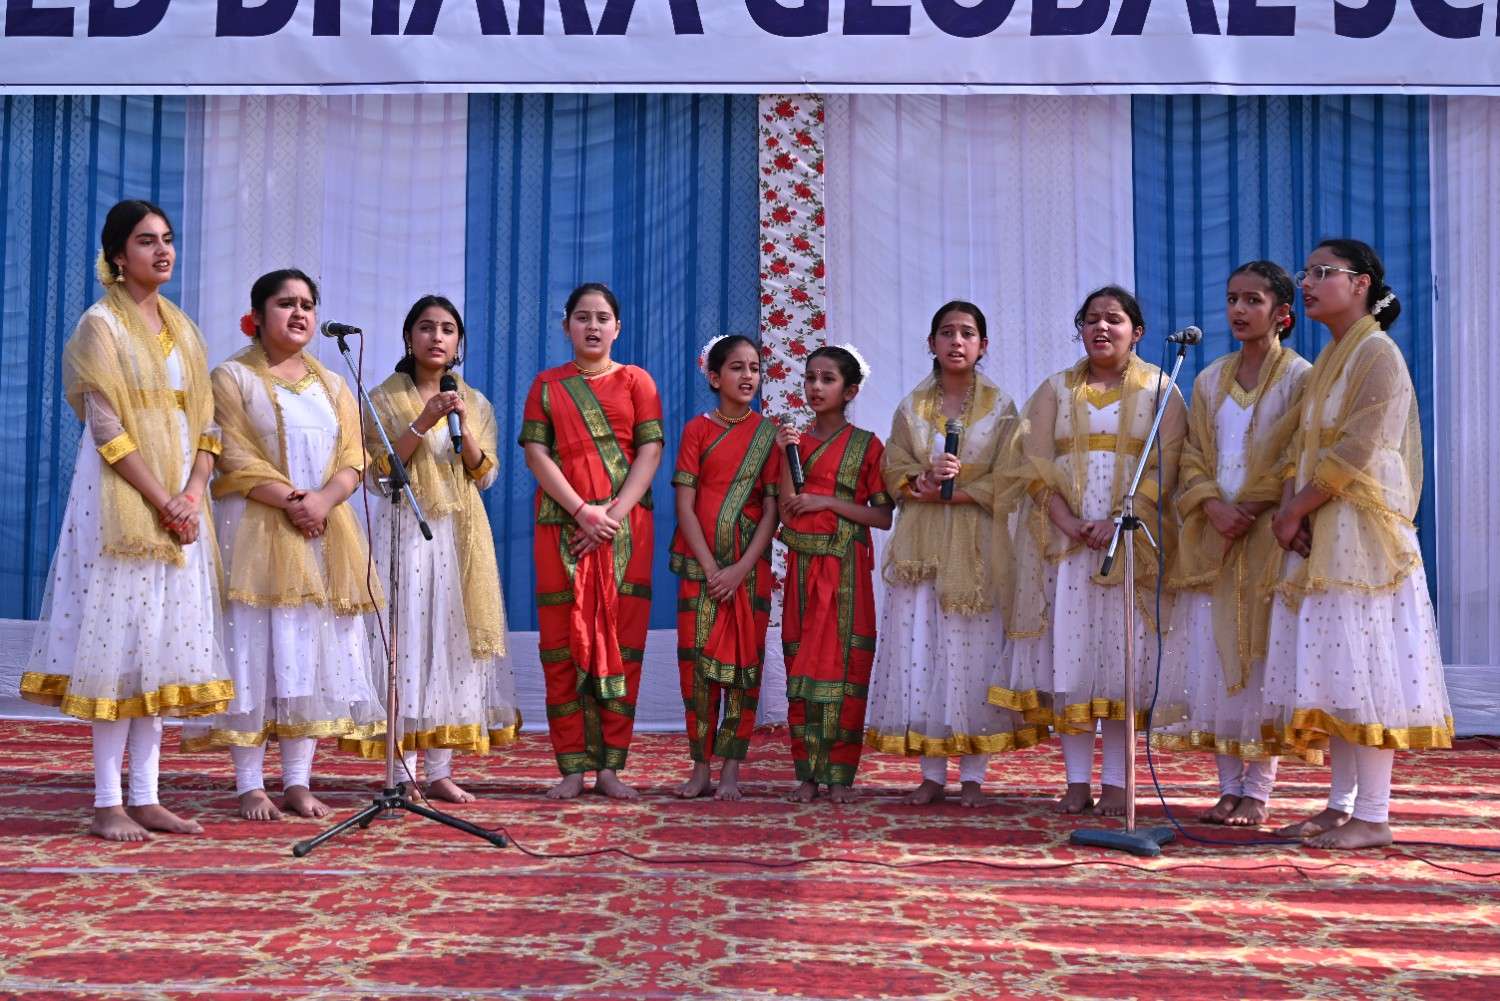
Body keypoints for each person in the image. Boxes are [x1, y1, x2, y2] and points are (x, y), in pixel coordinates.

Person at [21, 199, 231, 841]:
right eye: (146, 241)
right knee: (119, 647)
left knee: (159, 645)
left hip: (182, 502)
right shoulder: (101, 325)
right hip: (121, 498)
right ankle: (108, 800)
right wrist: (162, 499)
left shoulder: (184, 327)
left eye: (167, 238)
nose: (162, 251)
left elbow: (207, 422)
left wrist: (192, 491)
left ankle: (147, 794)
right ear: (117, 256)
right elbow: (105, 426)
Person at [1262, 239, 1453, 849]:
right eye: (1306, 273)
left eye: (1323, 272)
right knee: (1339, 671)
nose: (1308, 283)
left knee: (1366, 668)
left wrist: (1295, 509)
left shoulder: (1377, 353)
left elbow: (1357, 450)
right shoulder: (1331, 357)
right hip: (1326, 529)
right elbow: (1301, 446)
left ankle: (1374, 814)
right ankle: (1340, 806)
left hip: (1364, 538)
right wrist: (1292, 508)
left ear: (1361, 283)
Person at [184, 269, 385, 821]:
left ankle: (297, 780)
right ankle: (250, 784)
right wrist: (298, 502)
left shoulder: (334, 384)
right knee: (253, 652)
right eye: (285, 303)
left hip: (323, 531)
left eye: (307, 305)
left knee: (307, 653)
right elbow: (233, 455)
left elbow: (354, 456)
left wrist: (323, 501)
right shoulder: (231, 378)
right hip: (256, 531)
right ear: (257, 315)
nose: (299, 313)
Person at [989, 286, 1187, 816]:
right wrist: (1071, 523)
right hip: (1065, 544)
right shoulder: (1055, 389)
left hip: (1130, 540)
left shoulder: (1161, 389)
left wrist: (1119, 520)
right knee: (1072, 658)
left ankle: (1119, 783)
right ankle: (1076, 781)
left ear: (1136, 332)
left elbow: (1167, 465)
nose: (1101, 327)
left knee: (1122, 660)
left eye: (1114, 319)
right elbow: (1031, 464)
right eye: (1092, 319)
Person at [341, 295, 521, 802]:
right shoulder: (381, 398)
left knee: (453, 643)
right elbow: (379, 475)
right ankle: (403, 770)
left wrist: (461, 424)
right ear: (408, 337)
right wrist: (422, 421)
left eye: (446, 329)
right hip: (406, 531)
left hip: (460, 534)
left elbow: (485, 475)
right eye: (426, 327)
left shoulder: (473, 401)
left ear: (458, 341)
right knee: (408, 642)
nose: (436, 337)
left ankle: (440, 770)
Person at [1154, 262, 1313, 827]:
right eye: (1232, 300)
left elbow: (1296, 455)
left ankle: (1259, 790)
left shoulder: (1300, 378)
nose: (1239, 311)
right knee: (1214, 652)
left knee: (1262, 653)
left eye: (1253, 300)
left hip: (1269, 531)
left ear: (1282, 313)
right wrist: (1213, 505)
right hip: (1214, 532)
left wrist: (1252, 506)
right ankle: (1227, 787)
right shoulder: (1208, 379)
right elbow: (1193, 454)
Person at [865, 301, 1040, 808]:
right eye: (947, 332)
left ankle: (974, 775)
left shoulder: (1002, 407)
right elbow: (892, 466)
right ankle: (931, 773)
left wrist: (959, 492)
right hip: (921, 544)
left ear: (983, 345)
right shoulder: (911, 406)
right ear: (932, 343)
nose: (956, 342)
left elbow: (1012, 477)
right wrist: (919, 480)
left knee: (971, 651)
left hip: (976, 545)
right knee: (922, 650)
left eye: (967, 333)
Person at [520, 283, 663, 800]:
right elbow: (536, 455)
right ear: (567, 327)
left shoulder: (637, 381)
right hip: (562, 528)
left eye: (603, 318)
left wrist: (611, 516)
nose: (593, 326)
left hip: (625, 531)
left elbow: (650, 452)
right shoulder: (546, 385)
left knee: (620, 646)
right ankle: (571, 769)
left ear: (617, 328)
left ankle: (610, 769)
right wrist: (582, 512)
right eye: (583, 317)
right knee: (564, 647)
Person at [776, 345, 894, 804]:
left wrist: (826, 502)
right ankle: (807, 774)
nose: (815, 387)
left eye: (827, 379)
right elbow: (786, 509)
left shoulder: (867, 445)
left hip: (847, 573)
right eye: (810, 378)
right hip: (803, 570)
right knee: (800, 669)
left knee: (845, 669)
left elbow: (881, 516)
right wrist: (784, 454)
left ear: (850, 391)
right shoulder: (794, 444)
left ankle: (841, 775)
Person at [671, 335, 781, 801]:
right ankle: (700, 769)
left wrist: (738, 570)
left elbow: (772, 510)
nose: (748, 376)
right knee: (697, 671)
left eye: (754, 367)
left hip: (748, 574)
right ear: (715, 378)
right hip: (700, 572)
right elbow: (685, 504)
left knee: (743, 671)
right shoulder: (697, 430)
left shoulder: (769, 435)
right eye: (737, 367)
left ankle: (732, 771)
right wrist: (711, 566)